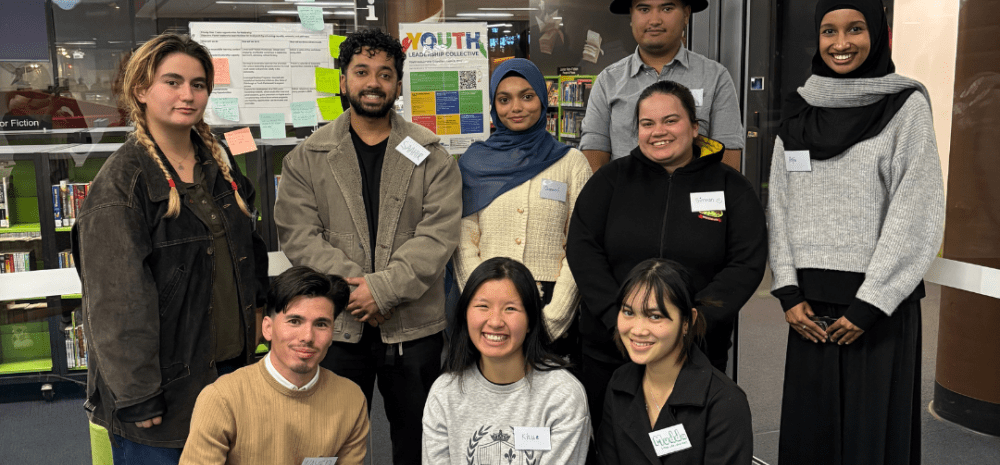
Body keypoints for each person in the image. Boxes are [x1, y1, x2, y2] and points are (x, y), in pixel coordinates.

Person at [73, 33, 268, 464]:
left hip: (229, 377)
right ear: (141, 89)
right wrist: (139, 394)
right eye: (173, 82)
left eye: (198, 84)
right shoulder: (122, 184)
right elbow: (114, 302)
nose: (188, 95)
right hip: (163, 396)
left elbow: (248, 256)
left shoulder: (217, 162)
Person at [274, 28, 461, 465]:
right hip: (336, 323)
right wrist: (356, 291)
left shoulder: (432, 154)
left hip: (414, 328)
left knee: (417, 440)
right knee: (330, 439)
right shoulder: (306, 157)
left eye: (385, 73)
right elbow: (299, 235)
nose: (373, 83)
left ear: (398, 84)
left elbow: (438, 235)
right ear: (343, 81)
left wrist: (382, 290)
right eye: (361, 72)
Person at [768, 1, 944, 463]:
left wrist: (871, 304)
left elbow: (917, 211)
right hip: (807, 308)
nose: (841, 43)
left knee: (871, 441)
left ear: (879, 34)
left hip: (878, 312)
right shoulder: (800, 110)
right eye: (829, 31)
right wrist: (787, 291)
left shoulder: (905, 106)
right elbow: (779, 205)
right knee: (812, 438)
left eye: (855, 29)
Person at [567, 80, 766, 432]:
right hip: (612, 346)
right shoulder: (610, 181)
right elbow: (583, 249)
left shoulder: (729, 186)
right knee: (612, 442)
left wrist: (694, 321)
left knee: (684, 442)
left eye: (670, 121)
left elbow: (745, 262)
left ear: (694, 127)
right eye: (648, 124)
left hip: (697, 347)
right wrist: (619, 318)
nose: (659, 131)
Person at [453, 58, 591, 357]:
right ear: (494, 105)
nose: (516, 107)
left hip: (551, 303)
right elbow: (463, 242)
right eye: (504, 99)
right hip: (489, 308)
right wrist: (481, 306)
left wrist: (555, 318)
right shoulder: (473, 163)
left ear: (542, 99)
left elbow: (581, 245)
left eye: (527, 96)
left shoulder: (571, 163)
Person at [179, 266, 369, 465]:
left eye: (321, 324)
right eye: (295, 321)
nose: (307, 337)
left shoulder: (351, 399)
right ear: (268, 328)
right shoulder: (222, 398)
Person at [423, 257, 591, 464]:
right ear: (465, 315)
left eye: (510, 308)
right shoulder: (444, 393)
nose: (495, 321)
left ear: (531, 320)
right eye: (483, 306)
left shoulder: (562, 396)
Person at [597, 259, 751, 464]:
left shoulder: (725, 403)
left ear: (688, 321)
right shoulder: (620, 384)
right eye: (628, 312)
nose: (637, 330)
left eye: (655, 316)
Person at [579, 0, 744, 172]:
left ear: (686, 14)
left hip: (693, 196)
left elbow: (728, 161)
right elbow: (593, 159)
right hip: (625, 197)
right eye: (644, 9)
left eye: (667, 8)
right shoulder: (608, 81)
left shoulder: (715, 77)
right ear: (631, 16)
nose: (654, 20)